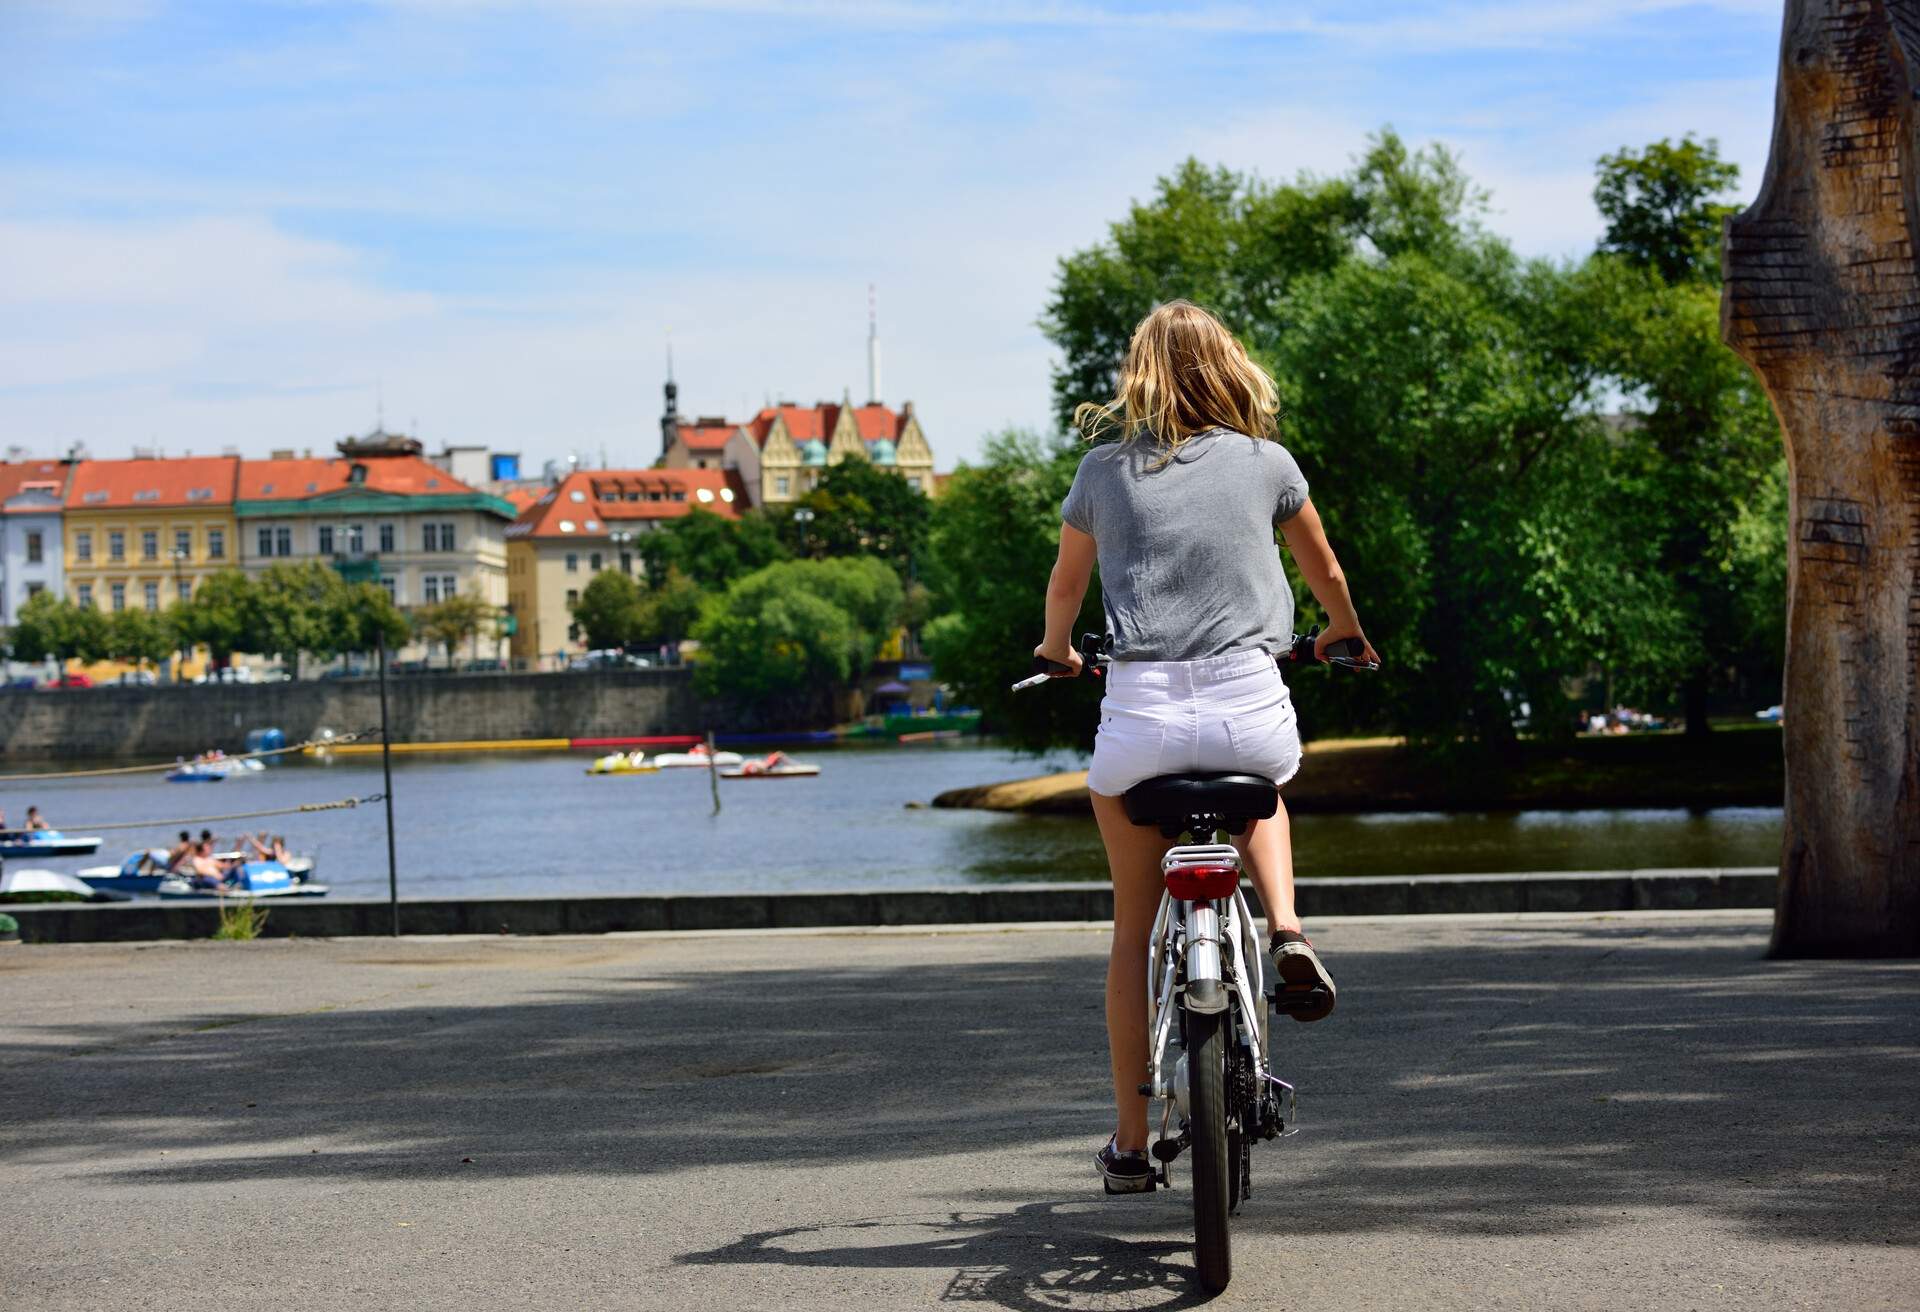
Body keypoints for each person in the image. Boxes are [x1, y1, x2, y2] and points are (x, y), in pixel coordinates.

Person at [1033, 299, 1378, 1194]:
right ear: (1229, 367)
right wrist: (1342, 631)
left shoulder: (1102, 472)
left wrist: (1059, 653)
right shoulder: (1269, 464)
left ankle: (1131, 1144)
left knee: (1130, 933)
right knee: (1267, 784)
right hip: (1247, 703)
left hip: (1139, 715)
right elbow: (1326, 570)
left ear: (1139, 374)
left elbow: (1066, 587)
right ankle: (1289, 928)